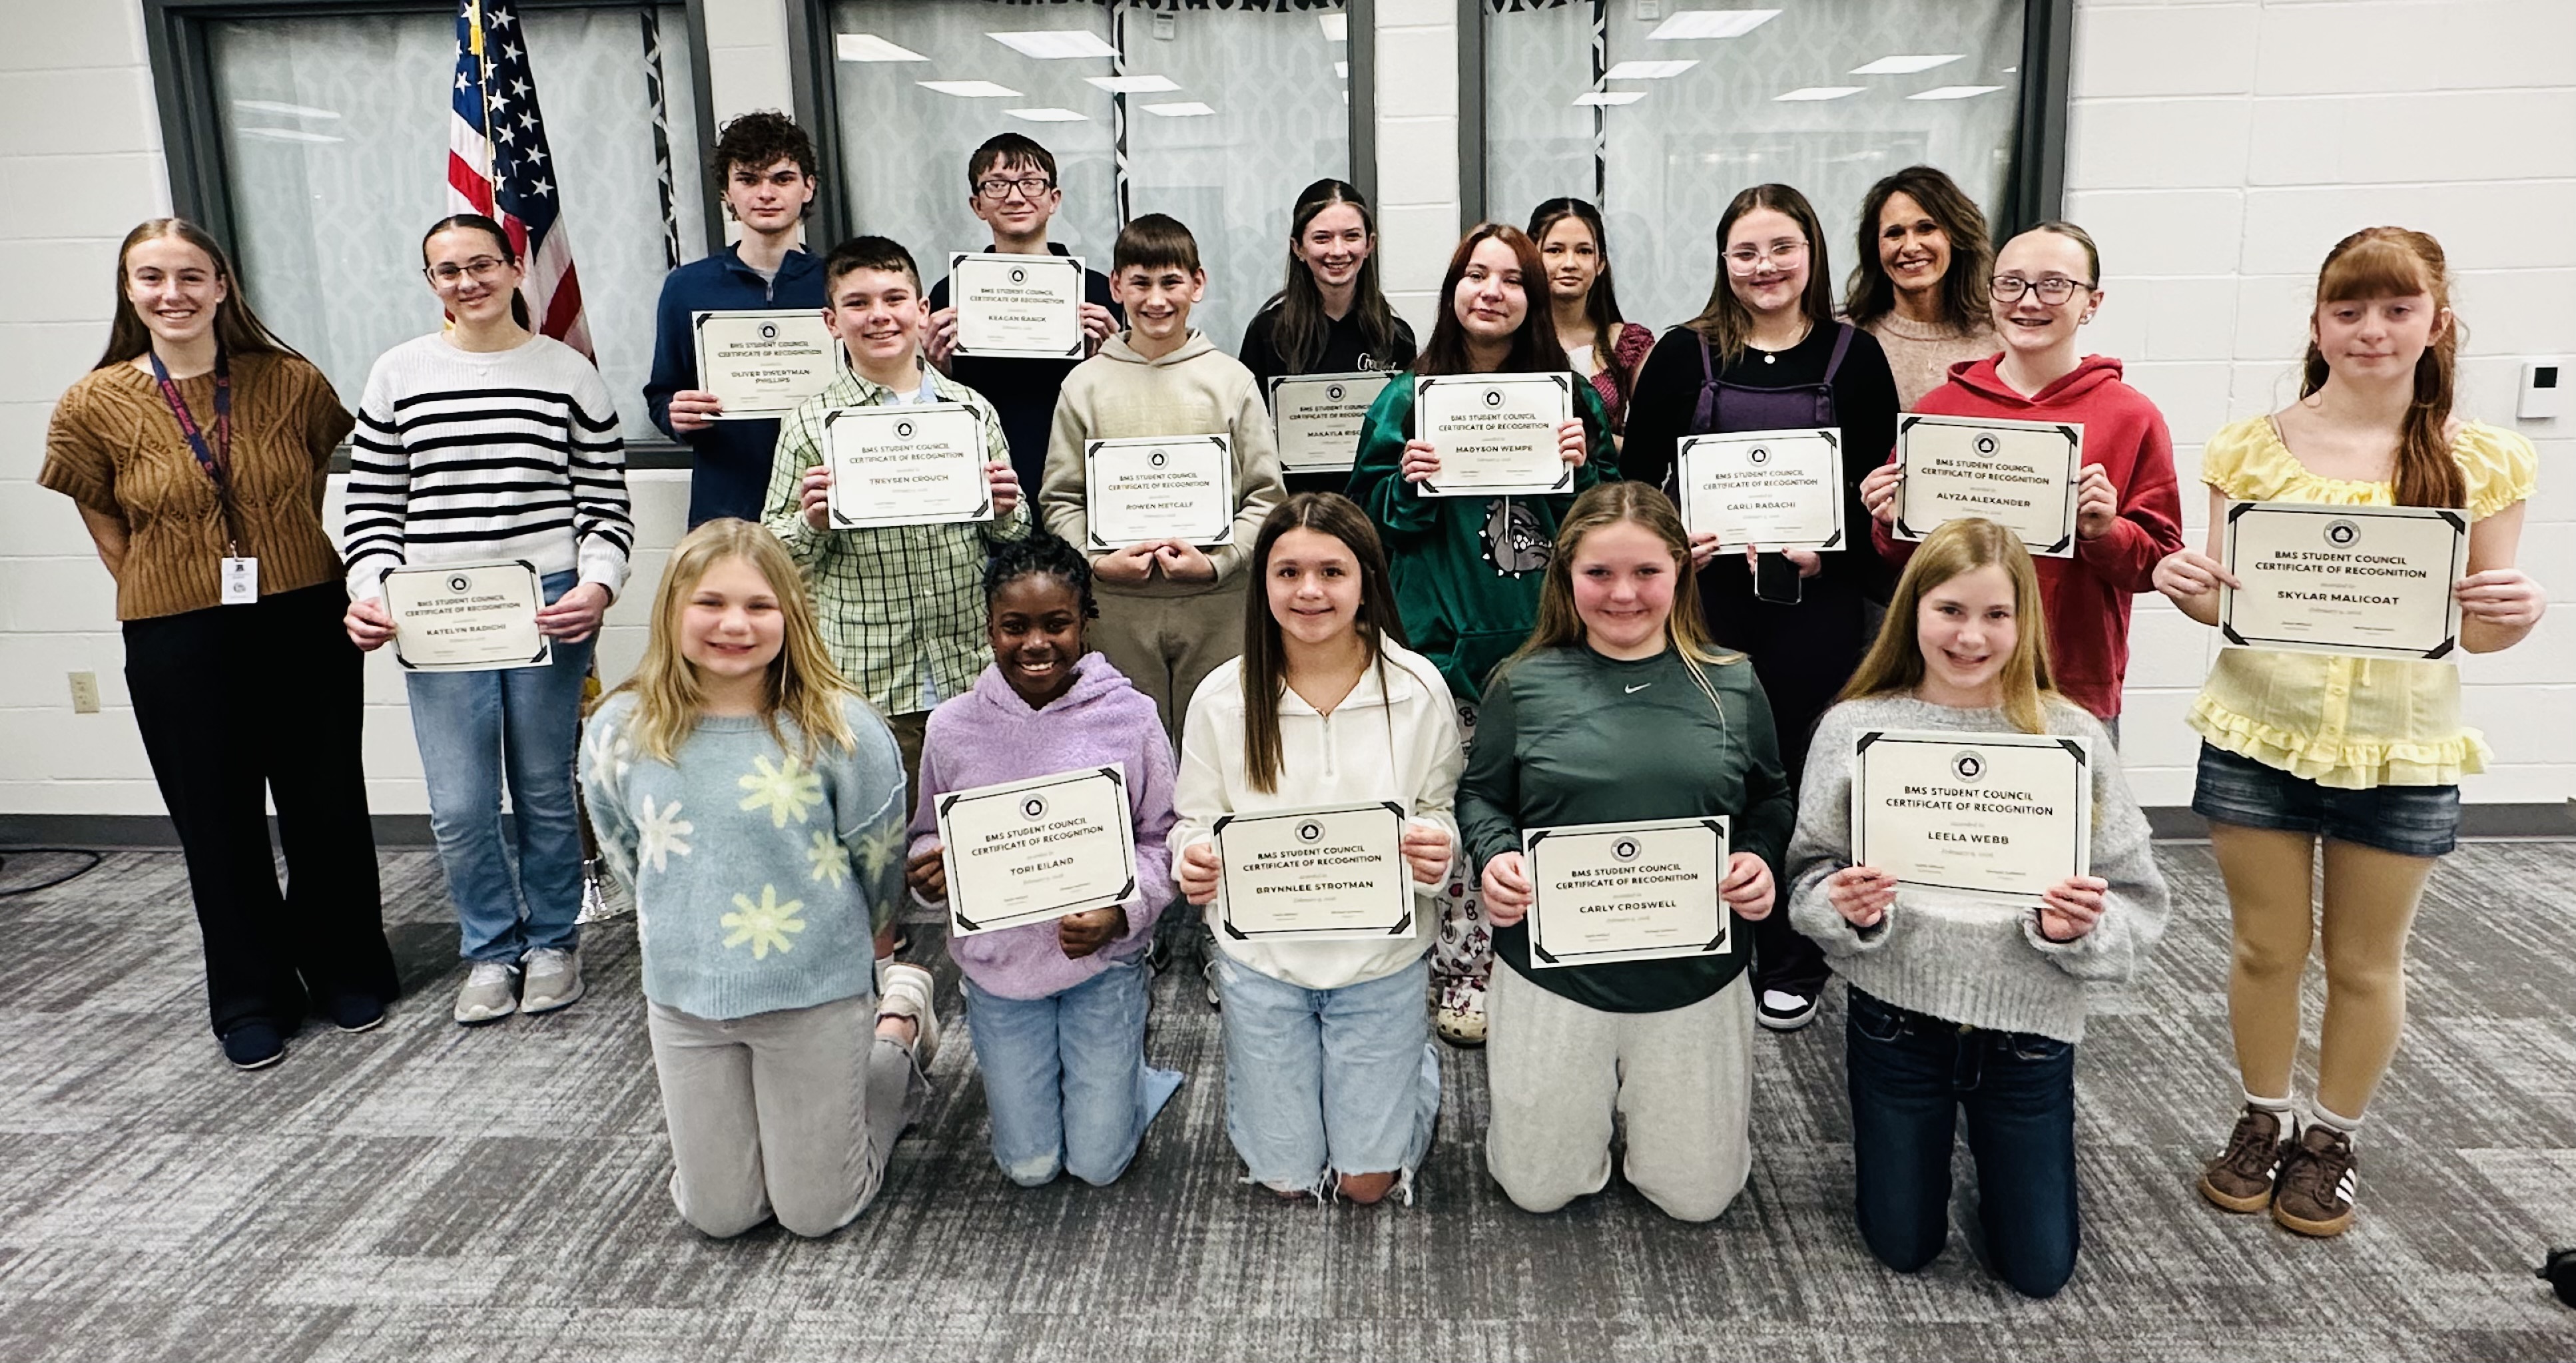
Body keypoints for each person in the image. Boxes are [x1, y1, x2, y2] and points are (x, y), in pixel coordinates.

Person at [2152, 227, 2545, 1238]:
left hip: (2399, 745)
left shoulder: (2483, 458)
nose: (2371, 329)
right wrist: (2184, 586)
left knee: (2367, 962)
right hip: (2257, 730)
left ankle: (2331, 1138)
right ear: (2319, 324)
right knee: (2263, 946)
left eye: (2396, 309)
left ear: (2435, 323)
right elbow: (2224, 601)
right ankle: (2262, 1115)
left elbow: (2487, 631)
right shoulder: (2250, 445)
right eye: (2349, 309)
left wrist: (2520, 608)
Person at [39, 218, 399, 1071]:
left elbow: (306, 481)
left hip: (302, 613)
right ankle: (250, 995)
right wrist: (183, 584)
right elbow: (105, 524)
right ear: (129, 291)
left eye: (191, 276)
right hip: (177, 633)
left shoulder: (289, 381)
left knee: (325, 804)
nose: (174, 295)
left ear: (223, 285)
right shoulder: (92, 404)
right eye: (152, 278)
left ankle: (346, 967)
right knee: (216, 818)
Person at [1786, 517, 2170, 1298]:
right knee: (1902, 1246)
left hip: (2029, 1029)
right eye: (1950, 611)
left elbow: (2138, 900)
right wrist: (1843, 906)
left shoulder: (2071, 734)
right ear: (1912, 614)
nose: (1971, 636)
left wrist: (2081, 929)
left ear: (2025, 622)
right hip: (1897, 1017)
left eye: (1996, 615)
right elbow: (1806, 879)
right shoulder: (1856, 727)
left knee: (2038, 1269)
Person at [581, 519, 937, 1238]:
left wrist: (856, 958)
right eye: (710, 603)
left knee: (816, 1212)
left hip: (814, 994)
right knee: (720, 1215)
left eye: (759, 606)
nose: (734, 624)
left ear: (791, 616)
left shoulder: (843, 730)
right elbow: (629, 856)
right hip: (687, 999)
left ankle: (896, 1027)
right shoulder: (620, 727)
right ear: (673, 609)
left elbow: (877, 867)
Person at [1458, 482, 1790, 1223]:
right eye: (1599, 574)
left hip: (1694, 971)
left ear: (1679, 571)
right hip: (1553, 967)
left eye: (1645, 572)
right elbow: (1481, 797)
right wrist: (1494, 856)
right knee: (1537, 1190)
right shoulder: (1522, 682)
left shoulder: (1731, 682)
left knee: (1700, 1198)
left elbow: (1770, 797)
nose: (1623, 595)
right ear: (1565, 576)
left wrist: (1761, 858)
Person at [1621, 183, 1901, 1033]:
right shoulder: (1681, 353)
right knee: (1696, 764)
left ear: (1811, 254)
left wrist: (1834, 548)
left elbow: (1882, 496)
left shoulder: (1855, 357)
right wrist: (1673, 545)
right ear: (1722, 262)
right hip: (1703, 603)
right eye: (1745, 252)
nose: (1763, 266)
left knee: (1797, 772)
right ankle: (1689, 933)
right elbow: (1634, 486)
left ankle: (1790, 951)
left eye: (1780, 248)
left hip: (1813, 607)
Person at [342, 213, 634, 1025]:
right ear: (430, 283)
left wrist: (600, 585)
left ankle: (551, 942)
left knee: (544, 789)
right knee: (461, 803)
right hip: (434, 614)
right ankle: (488, 949)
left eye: (481, 265)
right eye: (447, 270)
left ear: (513, 270)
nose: (466, 282)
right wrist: (370, 590)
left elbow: (605, 501)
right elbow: (371, 505)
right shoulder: (398, 373)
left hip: (547, 603)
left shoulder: (566, 372)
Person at [1345, 221, 1618, 1047]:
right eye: (1474, 275)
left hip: (1551, 652)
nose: (1491, 291)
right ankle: (1461, 970)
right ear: (1452, 290)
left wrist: (1585, 469)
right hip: (1445, 654)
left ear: (1534, 299)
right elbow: (1369, 522)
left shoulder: (1570, 398)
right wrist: (1413, 483)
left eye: (1511, 279)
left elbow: (1609, 529)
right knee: (1459, 822)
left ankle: (1552, 961)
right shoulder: (1405, 398)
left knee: (1549, 812)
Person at [1171, 494, 1462, 1205]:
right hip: (1262, 962)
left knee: (1365, 1185)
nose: (1308, 591)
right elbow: (1193, 821)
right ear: (1261, 584)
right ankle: (1311, 1086)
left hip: (1378, 961)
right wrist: (1194, 858)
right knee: (1287, 1178)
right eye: (1287, 572)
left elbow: (1439, 809)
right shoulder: (1220, 698)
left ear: (1366, 579)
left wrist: (1438, 846)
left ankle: (1403, 1067)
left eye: (1331, 571)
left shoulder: (1419, 688)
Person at [902, 533, 1183, 1189]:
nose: (1036, 643)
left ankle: (1126, 1078)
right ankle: (1079, 1082)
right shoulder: (951, 727)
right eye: (1014, 627)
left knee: (1098, 1164)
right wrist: (930, 873)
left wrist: (1122, 912)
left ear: (1085, 622)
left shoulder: (1132, 717)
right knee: (1028, 1168)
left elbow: (1164, 839)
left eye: (1056, 624)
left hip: (1102, 967)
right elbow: (925, 837)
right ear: (989, 628)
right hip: (1002, 977)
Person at [1860, 221, 2182, 732]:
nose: (2028, 300)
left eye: (2054, 284)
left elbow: (2156, 565)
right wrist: (1887, 518)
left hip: (2069, 687)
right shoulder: (1941, 410)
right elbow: (1902, 557)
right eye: (2010, 283)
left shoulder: (2132, 417)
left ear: (2091, 303)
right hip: (1948, 680)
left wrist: (2106, 531)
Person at [760, 234, 1030, 812]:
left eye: (894, 298)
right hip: (871, 679)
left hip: (970, 670)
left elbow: (1011, 537)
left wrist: (1008, 510)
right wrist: (813, 522)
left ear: (922, 310)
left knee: (982, 837)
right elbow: (776, 555)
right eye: (858, 304)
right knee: (888, 851)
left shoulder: (971, 410)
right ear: (832, 321)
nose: (879, 316)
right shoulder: (810, 425)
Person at [1038, 212, 1285, 743]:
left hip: (1218, 607)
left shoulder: (1231, 381)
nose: (1156, 299)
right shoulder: (1084, 386)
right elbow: (1060, 499)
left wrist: (1218, 563)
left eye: (1171, 282)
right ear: (1116, 286)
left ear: (1198, 284)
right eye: (1141, 283)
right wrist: (1096, 559)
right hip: (1117, 609)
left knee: (1225, 745)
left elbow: (1266, 497)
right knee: (1124, 748)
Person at [644, 111, 829, 526]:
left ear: (808, 187)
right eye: (748, 179)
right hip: (727, 506)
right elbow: (661, 393)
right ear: (727, 192)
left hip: (822, 505)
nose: (765, 193)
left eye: (782, 179)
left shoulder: (839, 284)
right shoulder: (687, 288)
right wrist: (674, 414)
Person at [927, 133, 1124, 491]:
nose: (1015, 197)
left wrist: (1112, 362)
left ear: (1054, 200)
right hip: (986, 475)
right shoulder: (950, 293)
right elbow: (937, 403)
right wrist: (936, 371)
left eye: (1031, 184)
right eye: (997, 185)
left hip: (1078, 476)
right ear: (977, 205)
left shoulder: (1098, 293)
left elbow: (1119, 402)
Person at [1239, 178, 1419, 497]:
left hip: (1369, 510)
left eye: (1351, 237)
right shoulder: (1267, 335)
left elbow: (1400, 441)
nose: (1338, 251)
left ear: (1370, 244)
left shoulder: (1397, 338)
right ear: (1298, 247)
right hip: (1294, 512)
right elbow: (1250, 440)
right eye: (1322, 238)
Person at [1843, 166, 1999, 408]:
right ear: (1875, 247)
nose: (1911, 247)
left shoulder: (1999, 341)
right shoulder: (1845, 340)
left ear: (1956, 236)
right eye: (1895, 233)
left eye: (1926, 228)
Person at [1528, 198, 1653, 437]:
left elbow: (1652, 445)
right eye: (1555, 251)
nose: (1570, 263)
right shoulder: (1511, 340)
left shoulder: (1629, 343)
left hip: (1611, 475)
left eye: (1584, 251)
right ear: (1532, 259)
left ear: (1601, 262)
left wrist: (1598, 442)